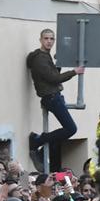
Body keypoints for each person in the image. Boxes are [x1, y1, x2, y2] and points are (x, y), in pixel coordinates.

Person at [27, 29, 85, 173]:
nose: (49, 41)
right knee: (71, 129)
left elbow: (53, 75)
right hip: (51, 98)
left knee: (65, 132)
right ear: (40, 40)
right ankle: (38, 140)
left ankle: (42, 144)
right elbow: (54, 78)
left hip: (54, 96)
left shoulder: (45, 56)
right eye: (46, 38)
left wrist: (58, 63)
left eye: (52, 39)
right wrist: (74, 72)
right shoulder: (40, 58)